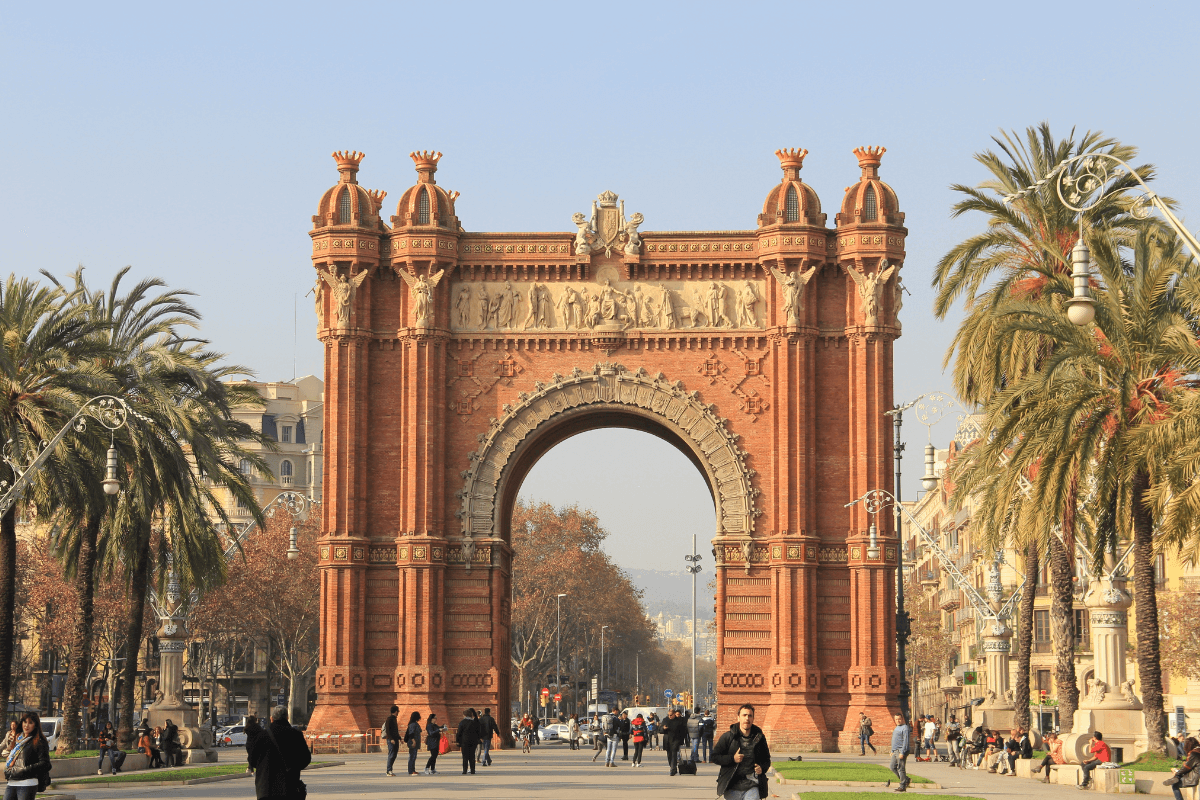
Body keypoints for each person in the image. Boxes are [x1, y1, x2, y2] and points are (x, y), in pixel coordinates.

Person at [247, 706, 311, 800]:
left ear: (271, 718)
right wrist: (294, 768)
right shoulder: (296, 735)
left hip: (266, 788)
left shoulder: (261, 736)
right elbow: (306, 758)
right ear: (287, 718)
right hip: (289, 787)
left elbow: (252, 760)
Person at [712, 703, 772, 800]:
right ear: (738, 717)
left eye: (750, 716)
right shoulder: (728, 737)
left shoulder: (759, 737)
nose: (747, 718)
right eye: (744, 715)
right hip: (732, 786)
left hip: (752, 785)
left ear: (753, 718)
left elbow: (766, 760)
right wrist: (732, 759)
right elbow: (714, 757)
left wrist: (762, 768)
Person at [3, 711, 51, 800]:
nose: (26, 725)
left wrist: (24, 770)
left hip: (27, 783)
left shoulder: (39, 742)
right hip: (12, 781)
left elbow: (45, 764)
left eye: (30, 723)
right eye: (25, 722)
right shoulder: (18, 740)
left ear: (35, 725)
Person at [888, 714, 911, 792]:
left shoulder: (905, 728)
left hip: (901, 751)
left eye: (899, 719)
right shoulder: (896, 728)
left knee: (901, 769)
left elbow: (906, 741)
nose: (898, 720)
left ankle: (902, 786)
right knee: (892, 767)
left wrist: (903, 752)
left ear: (902, 719)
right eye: (896, 719)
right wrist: (892, 750)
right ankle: (906, 779)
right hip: (895, 751)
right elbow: (894, 740)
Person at [663, 707, 689, 776]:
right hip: (667, 740)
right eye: (668, 715)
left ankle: (672, 769)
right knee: (669, 755)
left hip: (676, 739)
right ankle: (672, 767)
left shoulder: (679, 721)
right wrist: (663, 728)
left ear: (674, 714)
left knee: (674, 754)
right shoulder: (665, 720)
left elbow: (684, 731)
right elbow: (660, 729)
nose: (669, 716)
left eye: (671, 715)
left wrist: (683, 740)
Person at [456, 708, 480, 775]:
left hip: (464, 741)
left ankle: (464, 770)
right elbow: (478, 732)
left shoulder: (462, 722)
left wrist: (458, 741)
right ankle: (473, 770)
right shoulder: (474, 722)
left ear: (464, 715)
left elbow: (459, 733)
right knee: (472, 756)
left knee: (465, 756)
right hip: (473, 741)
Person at [383, 705, 401, 777]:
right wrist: (391, 739)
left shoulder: (394, 719)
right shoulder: (389, 719)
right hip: (391, 740)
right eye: (398, 711)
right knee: (391, 754)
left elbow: (395, 731)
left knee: (394, 754)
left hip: (395, 739)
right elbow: (388, 730)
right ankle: (388, 770)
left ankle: (390, 769)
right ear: (396, 711)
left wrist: (399, 738)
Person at [404, 711, 422, 776]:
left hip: (415, 742)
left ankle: (413, 770)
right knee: (412, 756)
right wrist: (414, 742)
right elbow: (411, 734)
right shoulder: (413, 724)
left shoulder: (414, 724)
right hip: (412, 743)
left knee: (414, 756)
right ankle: (411, 771)